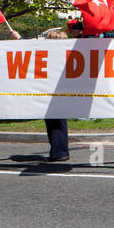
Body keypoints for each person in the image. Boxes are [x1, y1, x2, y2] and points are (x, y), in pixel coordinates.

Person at [43, 27, 72, 161]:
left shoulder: (63, 56)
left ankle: (59, 152)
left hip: (58, 92)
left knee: (56, 121)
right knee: (53, 121)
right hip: (53, 92)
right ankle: (57, 150)